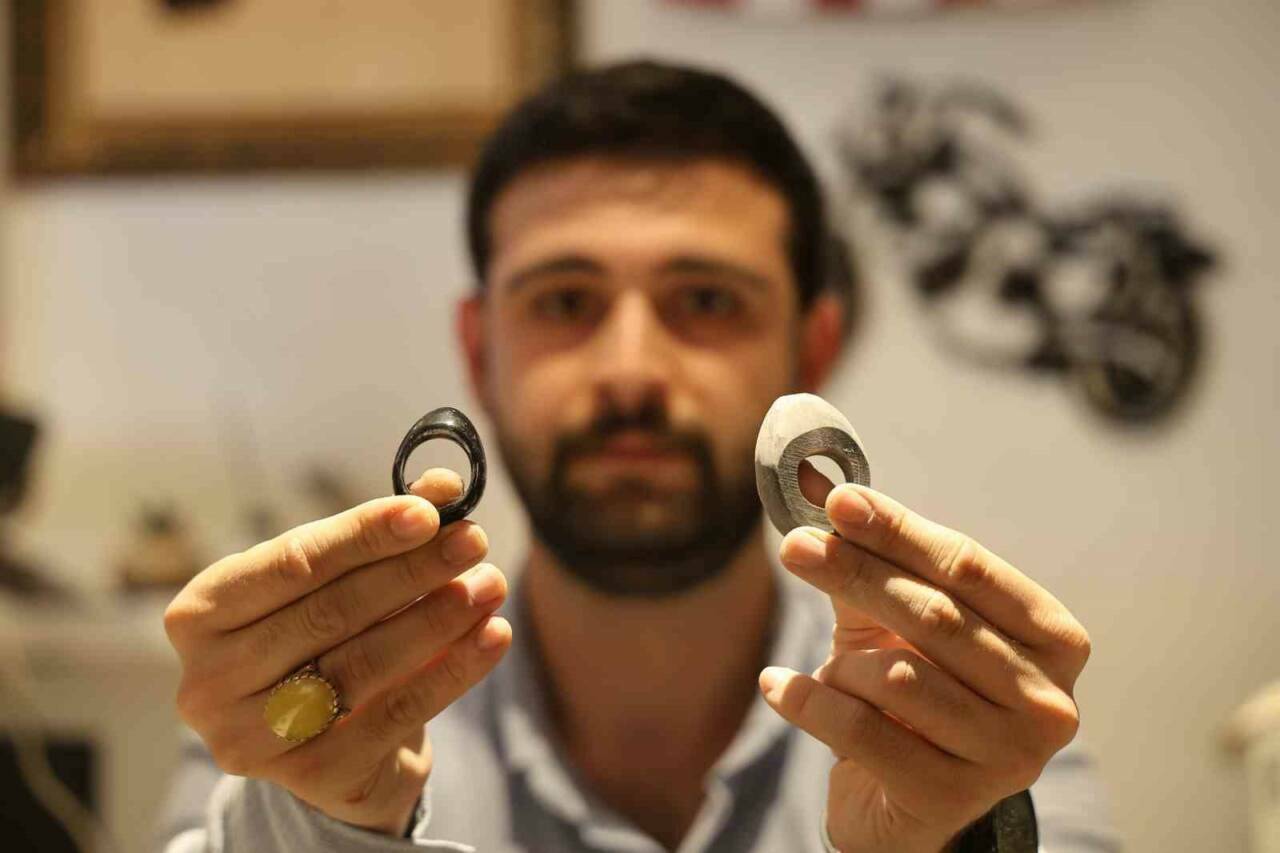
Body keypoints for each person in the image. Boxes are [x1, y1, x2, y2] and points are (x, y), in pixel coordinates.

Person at [156, 61, 1119, 853]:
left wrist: (949, 841)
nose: (630, 370)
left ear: (813, 348)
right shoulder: (311, 719)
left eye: (706, 301)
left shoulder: (962, 731)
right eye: (565, 302)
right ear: (480, 351)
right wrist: (325, 823)